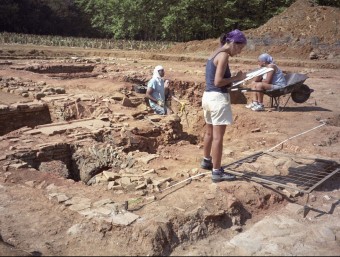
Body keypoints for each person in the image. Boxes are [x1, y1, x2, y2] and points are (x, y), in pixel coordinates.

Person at [201, 29, 247, 183]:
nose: (239, 52)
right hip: (217, 98)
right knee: (218, 137)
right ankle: (216, 172)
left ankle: (206, 160)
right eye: (239, 48)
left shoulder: (214, 52)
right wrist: (237, 78)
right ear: (233, 43)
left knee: (209, 133)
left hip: (207, 96)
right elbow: (218, 81)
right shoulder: (224, 55)